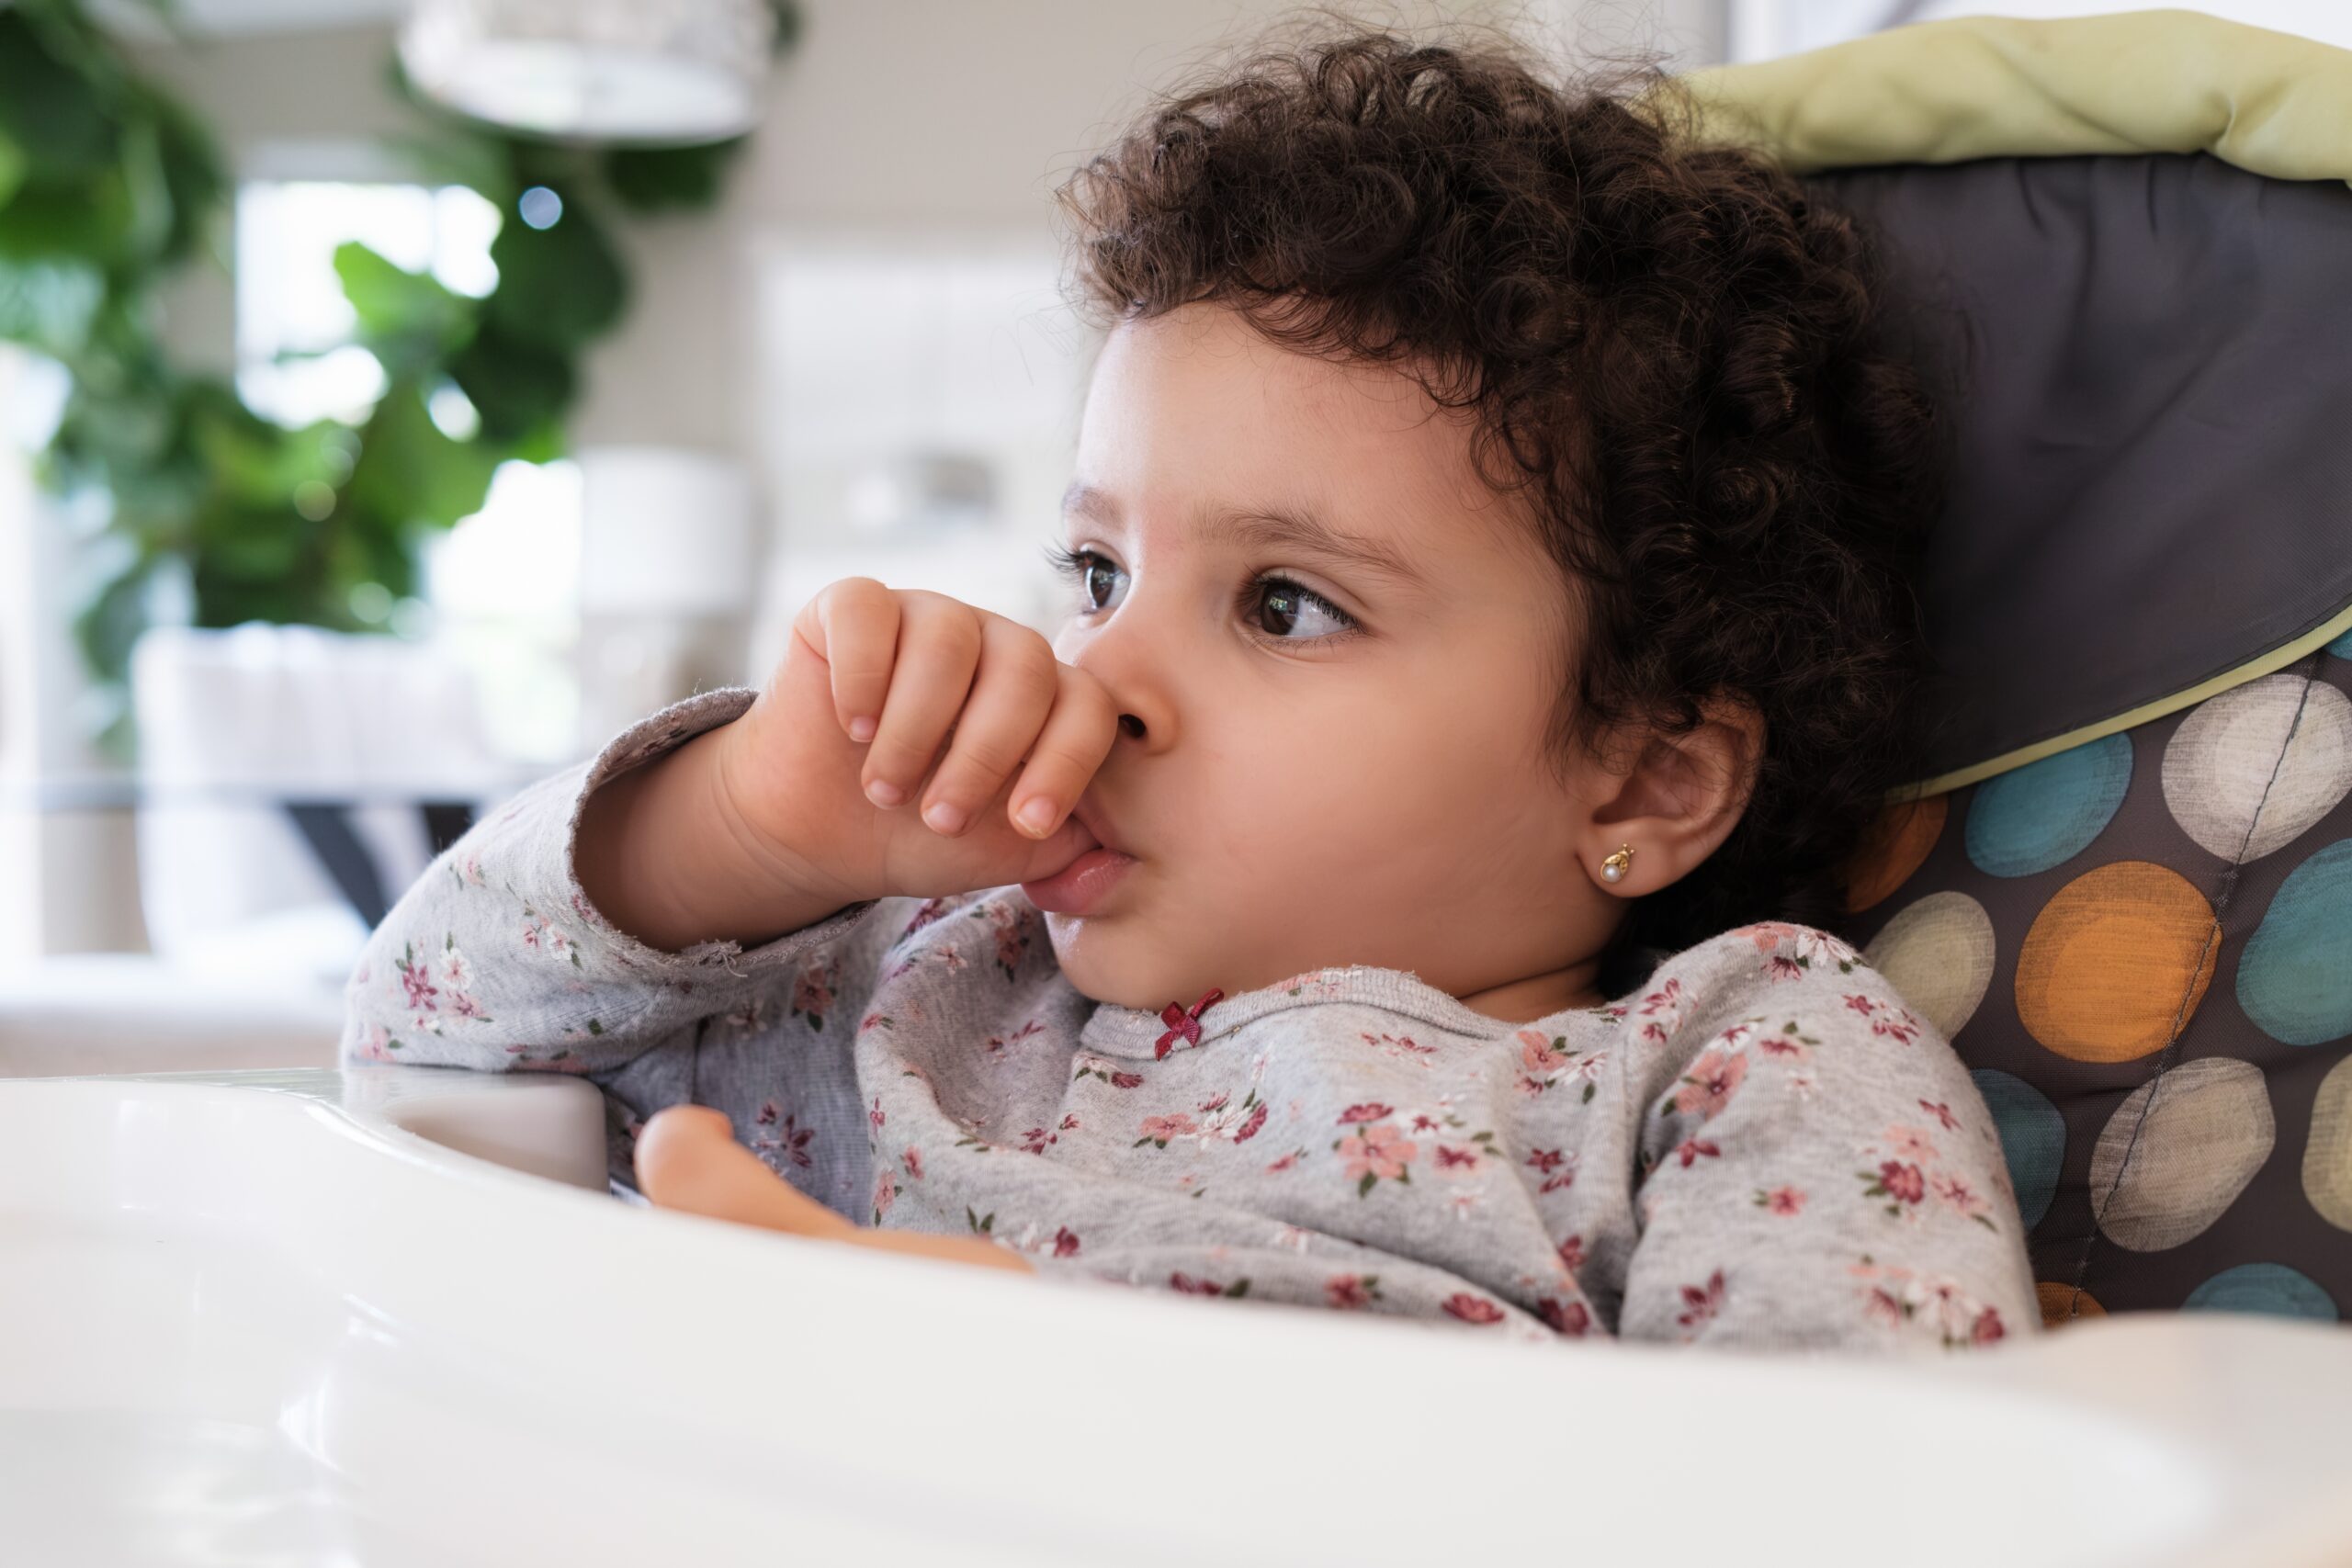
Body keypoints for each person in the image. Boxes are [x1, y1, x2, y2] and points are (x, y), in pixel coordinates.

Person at [343, 17, 2032, 1349]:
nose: (1102, 675)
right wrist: (744, 832)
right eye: (1095, 573)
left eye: (1286, 604)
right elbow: (434, 1040)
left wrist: (1047, 1410)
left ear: (1644, 783)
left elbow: (1861, 1512)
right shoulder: (930, 984)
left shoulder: (1723, 1072)